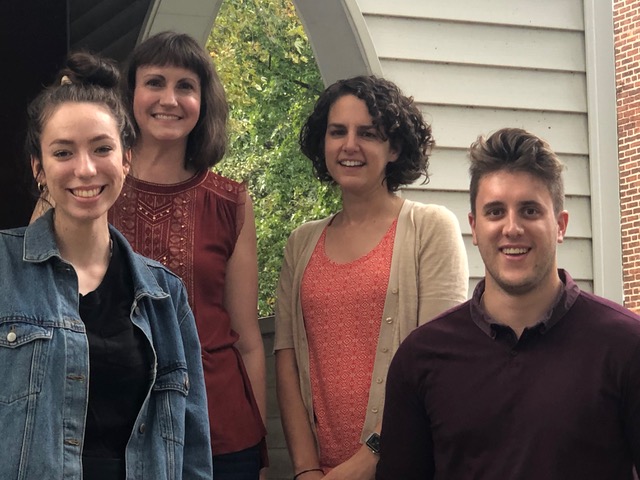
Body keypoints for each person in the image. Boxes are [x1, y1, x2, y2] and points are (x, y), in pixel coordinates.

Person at [376, 127, 640, 480]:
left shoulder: (626, 346)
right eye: (495, 212)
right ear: (474, 227)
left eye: (530, 210)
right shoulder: (420, 358)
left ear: (560, 225)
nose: (512, 228)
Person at [0, 52, 211, 479]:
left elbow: (191, 449)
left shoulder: (165, 296)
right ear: (39, 168)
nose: (85, 168)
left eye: (102, 148)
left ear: (125, 159)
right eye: (63, 152)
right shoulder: (5, 270)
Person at [274, 75, 469, 480]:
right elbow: (287, 359)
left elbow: (438, 365)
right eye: (337, 132)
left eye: (368, 133)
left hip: (407, 466)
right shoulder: (301, 243)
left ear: (395, 147)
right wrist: (305, 469)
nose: (350, 145)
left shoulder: (430, 228)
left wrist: (369, 458)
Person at [108, 31, 267, 478]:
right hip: (110, 423)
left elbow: (247, 338)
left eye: (186, 86)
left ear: (203, 101)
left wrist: (258, 446)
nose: (170, 99)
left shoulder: (230, 200)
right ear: (130, 94)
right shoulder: (92, 189)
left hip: (219, 429)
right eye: (155, 82)